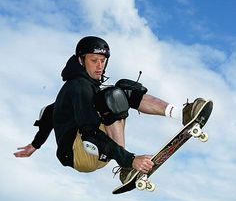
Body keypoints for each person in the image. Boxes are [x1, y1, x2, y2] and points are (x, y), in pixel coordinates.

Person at [14, 36, 206, 183]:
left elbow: (51, 112)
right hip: (79, 153)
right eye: (93, 60)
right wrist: (129, 159)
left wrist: (35, 145)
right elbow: (89, 133)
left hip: (95, 152)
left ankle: (182, 114)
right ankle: (126, 167)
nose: (99, 67)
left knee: (124, 91)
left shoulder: (84, 88)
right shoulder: (78, 87)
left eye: (103, 61)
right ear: (81, 60)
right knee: (111, 98)